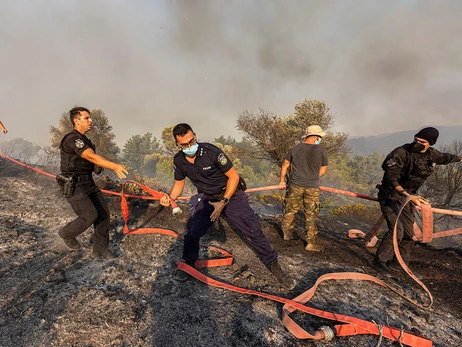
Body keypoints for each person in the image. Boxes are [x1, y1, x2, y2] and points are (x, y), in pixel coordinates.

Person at [160, 123, 296, 290]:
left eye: (191, 141)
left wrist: (223, 202)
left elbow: (233, 177)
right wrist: (170, 198)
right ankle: (189, 262)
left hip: (231, 195)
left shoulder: (212, 152)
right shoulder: (179, 161)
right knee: (192, 230)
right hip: (208, 197)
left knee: (252, 231)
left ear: (194, 135)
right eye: (184, 145)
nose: (189, 146)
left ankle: (274, 266)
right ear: (177, 144)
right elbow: (179, 185)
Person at [372, 127, 462, 275]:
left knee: (408, 234)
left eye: (422, 141)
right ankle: (379, 262)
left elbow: (446, 158)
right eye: (416, 139)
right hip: (391, 195)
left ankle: (398, 265)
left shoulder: (432, 154)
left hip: (409, 198)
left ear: (430, 144)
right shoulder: (400, 153)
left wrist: (459, 158)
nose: (417, 143)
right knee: (397, 231)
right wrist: (405, 193)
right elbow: (391, 177)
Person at [58, 106, 128, 260]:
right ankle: (66, 233)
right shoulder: (72, 139)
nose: (91, 121)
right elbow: (89, 156)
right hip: (74, 185)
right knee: (89, 215)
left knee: (103, 215)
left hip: (88, 183)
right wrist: (114, 166)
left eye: (90, 118)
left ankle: (100, 250)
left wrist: (97, 166)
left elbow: (92, 163)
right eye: (86, 118)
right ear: (76, 121)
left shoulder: (85, 140)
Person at [278, 125, 328, 251]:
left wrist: (281, 181)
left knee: (290, 211)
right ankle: (310, 243)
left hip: (295, 185)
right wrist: (311, 177)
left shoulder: (295, 148)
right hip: (312, 187)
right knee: (311, 215)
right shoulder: (322, 151)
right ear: (316, 137)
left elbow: (285, 164)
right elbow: (322, 171)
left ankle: (287, 235)